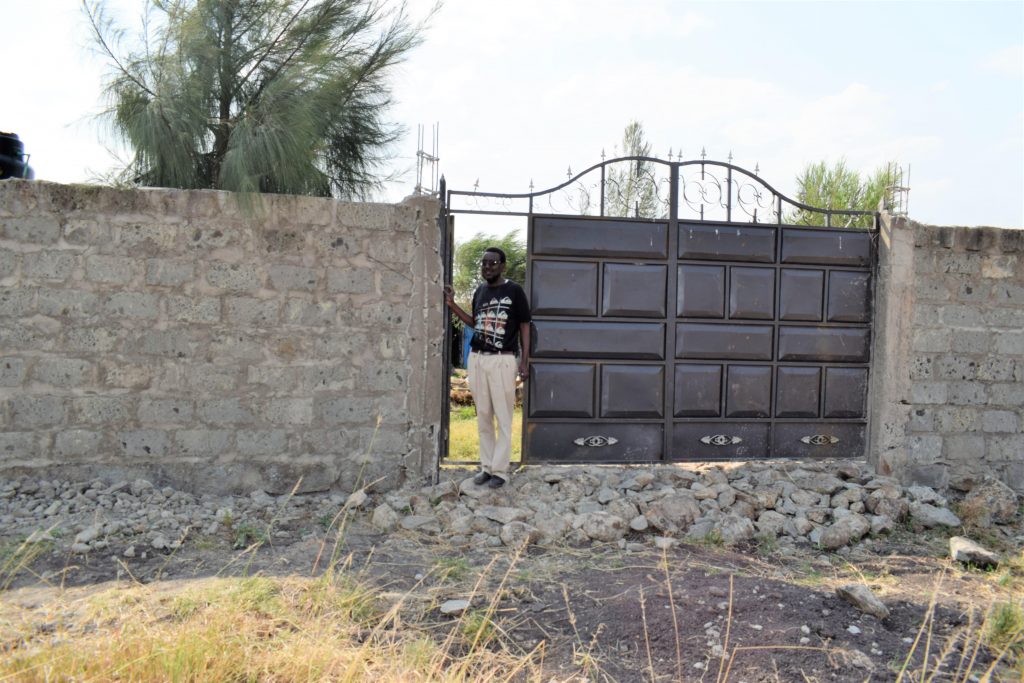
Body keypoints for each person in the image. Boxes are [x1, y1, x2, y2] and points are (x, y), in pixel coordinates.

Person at [443, 247, 531, 489]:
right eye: (484, 263)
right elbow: (476, 323)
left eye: (493, 263)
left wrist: (524, 361)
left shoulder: (514, 291)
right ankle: (487, 467)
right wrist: (452, 305)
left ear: (503, 265)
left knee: (503, 416)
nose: (487, 267)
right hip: (478, 358)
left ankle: (501, 472)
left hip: (503, 359)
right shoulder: (480, 291)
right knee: (482, 415)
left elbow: (525, 325)